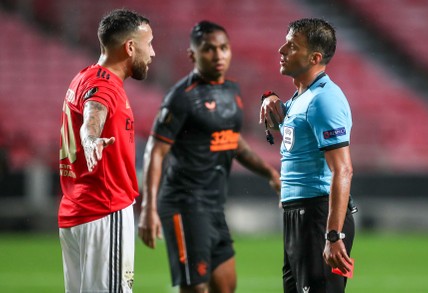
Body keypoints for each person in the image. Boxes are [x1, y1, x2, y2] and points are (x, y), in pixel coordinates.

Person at [138, 20, 281, 293]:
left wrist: (270, 174)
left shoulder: (232, 91)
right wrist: (148, 208)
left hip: (214, 205)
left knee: (226, 288)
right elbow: (156, 151)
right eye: (209, 49)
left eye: (224, 48)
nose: (218, 55)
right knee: (196, 289)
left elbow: (234, 142)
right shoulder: (180, 98)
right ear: (193, 55)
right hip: (184, 204)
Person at [58, 9, 155, 292]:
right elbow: (93, 115)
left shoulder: (84, 77)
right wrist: (90, 138)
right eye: (149, 44)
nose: (153, 53)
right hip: (104, 209)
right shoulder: (105, 86)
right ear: (130, 47)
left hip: (77, 212)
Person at [259, 18, 355, 292]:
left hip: (319, 214)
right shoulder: (303, 97)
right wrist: (268, 96)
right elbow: (284, 125)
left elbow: (343, 169)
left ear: (314, 57)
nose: (281, 49)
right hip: (299, 214)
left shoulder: (325, 99)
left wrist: (334, 234)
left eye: (291, 45)